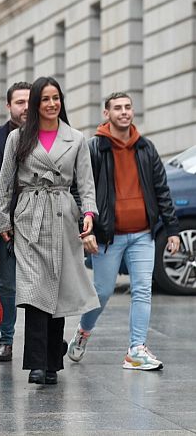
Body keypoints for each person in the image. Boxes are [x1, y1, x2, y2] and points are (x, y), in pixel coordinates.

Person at [0, 76, 100, 385]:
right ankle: (38, 364)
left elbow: (86, 183)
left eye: (56, 98)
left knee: (59, 290)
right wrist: (3, 221)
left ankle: (53, 363)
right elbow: (5, 182)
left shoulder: (76, 138)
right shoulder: (18, 138)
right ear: (36, 104)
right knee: (35, 291)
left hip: (63, 215)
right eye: (46, 99)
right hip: (30, 217)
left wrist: (89, 215)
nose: (52, 104)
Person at [67, 92, 180, 370]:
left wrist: (172, 229)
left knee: (143, 289)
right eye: (117, 108)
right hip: (109, 235)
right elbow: (79, 189)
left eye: (128, 107)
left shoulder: (146, 148)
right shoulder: (94, 148)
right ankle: (83, 332)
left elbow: (161, 190)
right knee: (103, 291)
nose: (124, 112)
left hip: (143, 233)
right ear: (106, 114)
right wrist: (87, 225)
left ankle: (136, 349)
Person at [0, 81, 30, 362]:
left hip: (41, 223)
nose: (25, 107)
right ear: (8, 106)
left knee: (46, 284)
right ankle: (7, 339)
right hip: (6, 227)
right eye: (19, 102)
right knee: (8, 285)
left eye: (28, 101)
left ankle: (46, 336)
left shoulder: (48, 136)